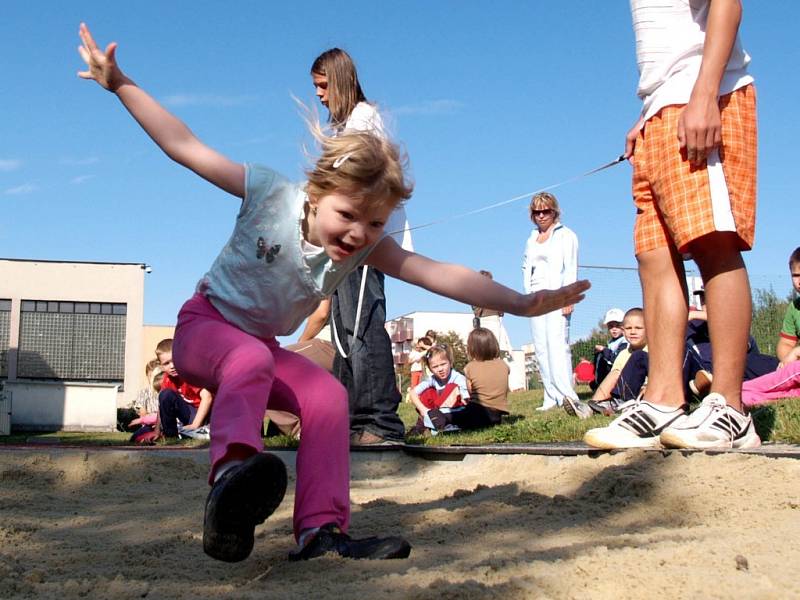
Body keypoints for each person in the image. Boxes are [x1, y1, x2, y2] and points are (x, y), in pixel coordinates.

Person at [77, 23, 589, 563]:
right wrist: (120, 84)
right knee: (250, 355)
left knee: (328, 397)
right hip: (204, 329)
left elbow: (438, 273)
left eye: (374, 224)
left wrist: (525, 303)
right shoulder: (271, 192)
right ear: (317, 191)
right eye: (347, 216)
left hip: (258, 350)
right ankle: (230, 481)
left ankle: (321, 532)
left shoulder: (364, 247)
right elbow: (184, 145)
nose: (358, 234)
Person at [584, 0, 760, 449]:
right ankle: (662, 400)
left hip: (703, 97)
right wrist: (649, 112)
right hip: (660, 107)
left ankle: (732, 408)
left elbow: (726, 4)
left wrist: (703, 95)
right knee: (652, 254)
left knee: (712, 243)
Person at [311, 48, 413, 447]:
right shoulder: (343, 128)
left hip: (364, 240)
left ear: (338, 81)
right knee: (343, 330)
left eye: (322, 86)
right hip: (342, 242)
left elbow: (367, 179)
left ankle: (381, 422)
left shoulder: (365, 121)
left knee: (363, 322)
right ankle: (354, 421)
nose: (319, 95)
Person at [522, 192, 580, 411]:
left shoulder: (567, 235)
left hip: (558, 295)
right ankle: (550, 396)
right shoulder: (531, 239)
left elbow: (571, 267)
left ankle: (567, 395)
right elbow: (526, 266)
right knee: (541, 348)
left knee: (557, 345)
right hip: (536, 296)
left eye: (546, 211)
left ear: (554, 211)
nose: (541, 216)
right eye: (537, 212)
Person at [566, 308, 648, 419]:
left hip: (647, 391)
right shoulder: (623, 353)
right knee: (615, 372)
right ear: (623, 331)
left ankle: (617, 404)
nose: (633, 332)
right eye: (629, 328)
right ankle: (593, 405)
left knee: (638, 357)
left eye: (638, 328)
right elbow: (614, 377)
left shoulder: (651, 349)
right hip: (627, 391)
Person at [154, 338, 213, 440]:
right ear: (161, 366)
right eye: (166, 363)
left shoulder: (189, 373)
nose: (172, 366)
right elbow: (162, 406)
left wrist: (195, 425)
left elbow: (207, 397)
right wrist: (157, 430)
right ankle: (170, 436)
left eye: (175, 361)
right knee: (165, 395)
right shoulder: (167, 379)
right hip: (190, 414)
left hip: (206, 414)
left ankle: (203, 429)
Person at [408, 344, 470, 435]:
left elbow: (466, 398)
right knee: (427, 393)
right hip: (436, 412)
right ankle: (422, 426)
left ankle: (444, 425)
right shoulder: (432, 379)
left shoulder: (457, 378)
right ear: (430, 369)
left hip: (454, 412)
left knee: (451, 387)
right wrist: (423, 410)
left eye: (443, 364)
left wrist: (464, 397)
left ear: (450, 362)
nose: (440, 369)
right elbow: (413, 392)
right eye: (435, 367)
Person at [458, 327, 510, 429]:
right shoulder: (504, 365)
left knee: (453, 416)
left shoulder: (469, 367)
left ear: (472, 348)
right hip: (497, 414)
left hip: (477, 411)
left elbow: (471, 391)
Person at [471, 270, 514, 357]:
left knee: (494, 349)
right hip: (487, 322)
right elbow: (477, 311)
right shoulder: (478, 294)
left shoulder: (492, 293)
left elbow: (501, 312)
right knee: (489, 349)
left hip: (494, 321)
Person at [591, 308, 628, 391]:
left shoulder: (625, 341)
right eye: (611, 326)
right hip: (612, 370)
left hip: (621, 371)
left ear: (623, 326)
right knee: (599, 355)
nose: (614, 329)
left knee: (601, 355)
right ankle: (598, 384)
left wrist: (604, 350)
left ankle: (600, 385)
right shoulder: (611, 342)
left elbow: (617, 359)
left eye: (617, 326)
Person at [776, 247, 800, 368]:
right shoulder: (794, 307)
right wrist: (788, 359)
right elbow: (785, 344)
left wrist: (797, 352)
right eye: (796, 275)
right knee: (749, 362)